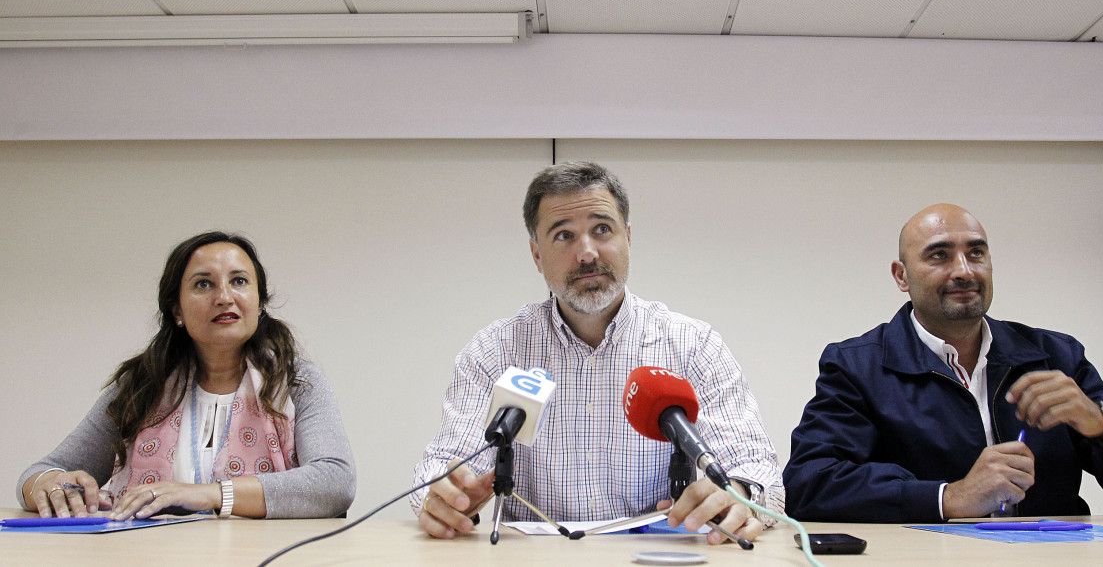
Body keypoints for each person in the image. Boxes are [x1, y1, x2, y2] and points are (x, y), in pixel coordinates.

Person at [411, 161, 783, 544]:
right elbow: (444, 466)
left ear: (628, 238)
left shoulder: (693, 346)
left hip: (654, 558)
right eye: (564, 236)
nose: (587, 253)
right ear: (537, 255)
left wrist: (740, 494)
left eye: (601, 230)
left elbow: (757, 467)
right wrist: (445, 497)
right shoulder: (495, 351)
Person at [783, 203, 1103, 522]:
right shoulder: (858, 366)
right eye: (939, 255)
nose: (963, 271)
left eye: (975, 253)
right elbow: (809, 484)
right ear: (901, 276)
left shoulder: (1054, 356)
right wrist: (949, 497)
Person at [17, 232, 355, 520]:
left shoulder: (296, 381)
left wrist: (210, 494)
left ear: (259, 301)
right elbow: (39, 474)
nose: (224, 297)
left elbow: (335, 482)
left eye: (239, 281)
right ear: (177, 310)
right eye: (203, 284)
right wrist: (50, 485)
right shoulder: (141, 383)